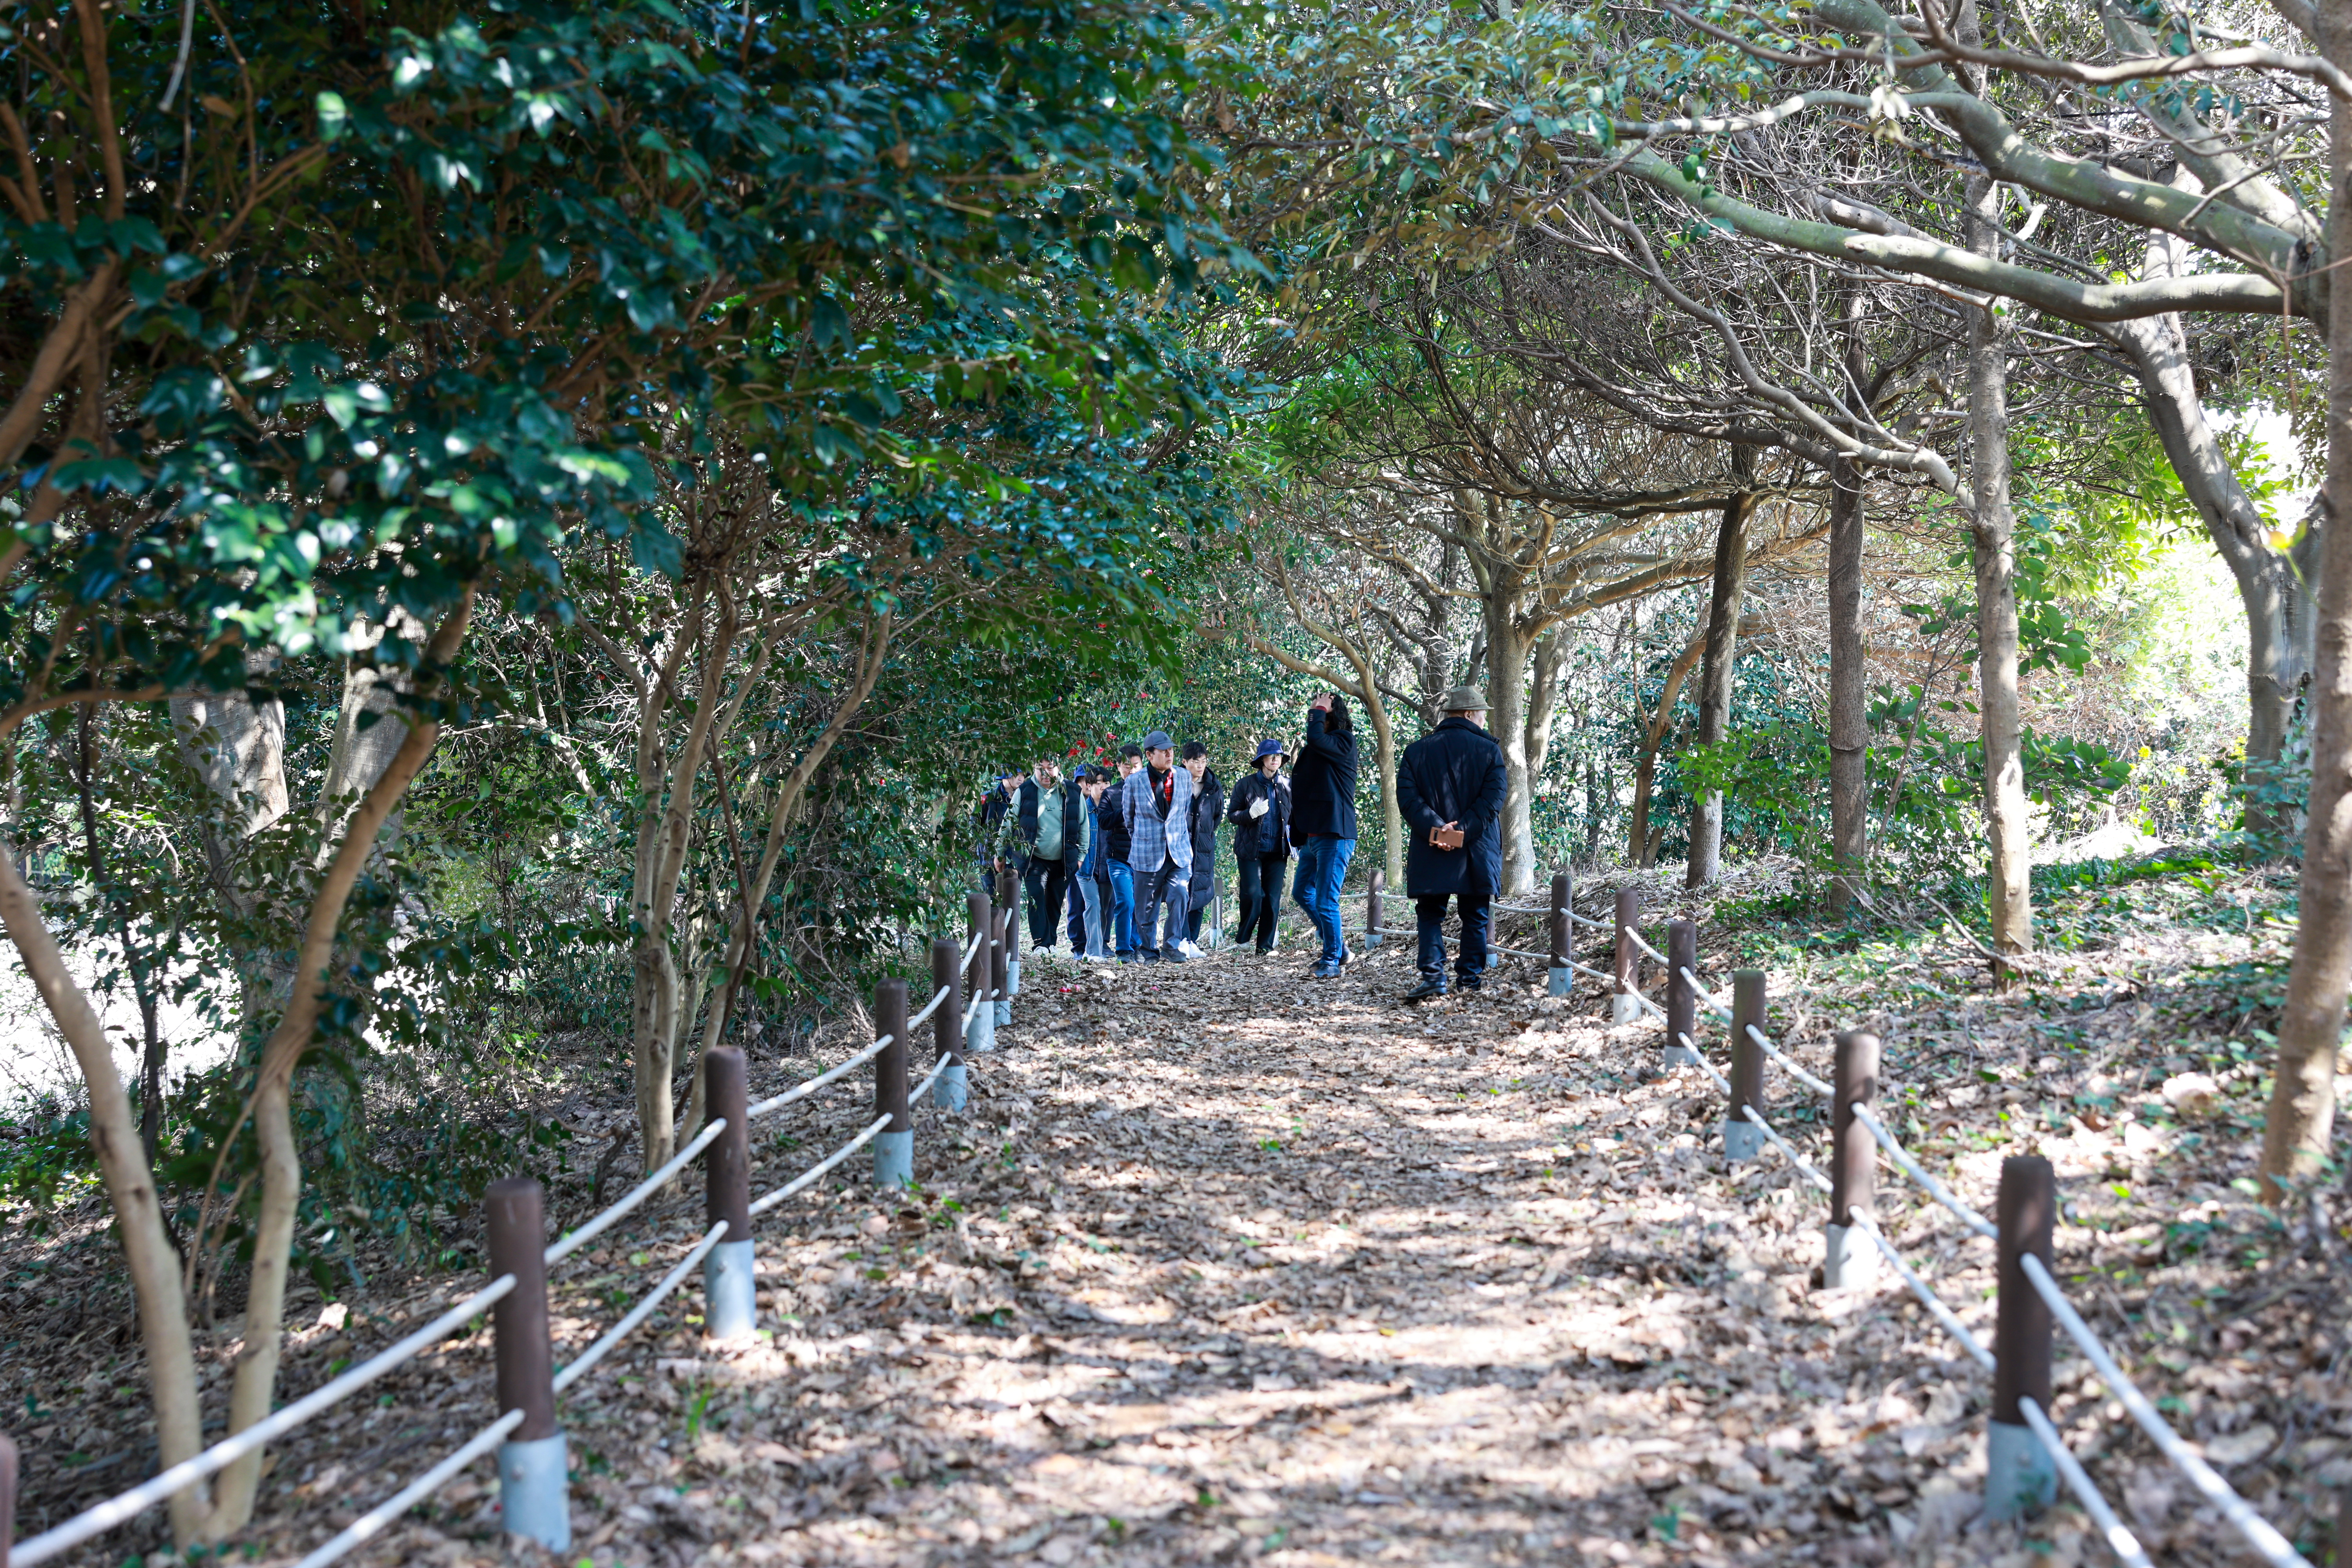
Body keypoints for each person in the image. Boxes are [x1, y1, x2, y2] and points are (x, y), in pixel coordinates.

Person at [1394, 686, 1508, 1000]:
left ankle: (1433, 976)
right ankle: (1469, 982)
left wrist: (1438, 829)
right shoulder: (1489, 752)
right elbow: (1493, 800)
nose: (1485, 720)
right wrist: (1464, 830)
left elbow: (1407, 798)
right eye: (1483, 714)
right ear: (1470, 714)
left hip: (1430, 844)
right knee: (1475, 915)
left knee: (1430, 912)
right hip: (1476, 848)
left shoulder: (1416, 751)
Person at [1289, 693, 1360, 978]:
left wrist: (1319, 708)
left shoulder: (1344, 742)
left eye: (1323, 716)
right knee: (1302, 892)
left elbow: (1317, 739)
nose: (1317, 721)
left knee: (1326, 900)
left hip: (1336, 835)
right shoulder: (1315, 749)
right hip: (1312, 836)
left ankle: (1332, 959)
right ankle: (1339, 947)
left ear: (1333, 718)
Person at [996, 755, 1090, 953]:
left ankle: (1051, 943)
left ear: (1058, 768)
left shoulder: (1073, 792)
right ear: (1035, 769)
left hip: (1064, 859)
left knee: (1055, 902)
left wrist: (1081, 857)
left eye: (1050, 767)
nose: (1046, 773)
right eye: (1041, 768)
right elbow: (1008, 822)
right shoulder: (1025, 792)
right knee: (1036, 897)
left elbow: (1084, 825)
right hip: (1034, 858)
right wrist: (999, 853)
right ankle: (1041, 944)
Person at [1118, 730, 1194, 963]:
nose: (1169, 754)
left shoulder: (1184, 777)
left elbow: (1184, 813)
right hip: (1146, 852)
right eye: (1163, 751)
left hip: (1178, 852)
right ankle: (1149, 950)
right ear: (1150, 755)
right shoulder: (1134, 782)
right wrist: (1143, 839)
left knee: (1180, 893)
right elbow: (1128, 817)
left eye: (1171, 749)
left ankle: (1172, 945)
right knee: (1146, 908)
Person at [1226, 738, 1292, 953]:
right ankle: (1243, 938)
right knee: (1254, 895)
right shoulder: (1245, 785)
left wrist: (1300, 842)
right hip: (1251, 851)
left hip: (1278, 852)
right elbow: (1232, 816)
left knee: (1272, 900)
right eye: (1271, 755)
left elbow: (1295, 818)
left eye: (1279, 756)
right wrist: (1251, 814)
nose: (1275, 759)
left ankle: (1264, 947)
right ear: (1262, 759)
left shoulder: (1288, 786)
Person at [1180, 741, 1225, 955]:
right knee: (1180, 893)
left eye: (1204, 761)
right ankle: (1181, 940)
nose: (1200, 766)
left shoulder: (1214, 787)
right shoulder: (1177, 784)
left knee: (1198, 894)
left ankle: (1192, 942)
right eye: (1196, 762)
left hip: (1204, 849)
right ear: (1185, 763)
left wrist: (1204, 835)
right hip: (1180, 847)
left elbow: (1217, 817)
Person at [1099, 745, 1142, 960]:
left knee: (1140, 905)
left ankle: (1137, 946)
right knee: (1126, 901)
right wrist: (1124, 812)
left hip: (1145, 858)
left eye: (1136, 766)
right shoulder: (1111, 793)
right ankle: (1124, 950)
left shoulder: (1151, 790)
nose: (1132, 770)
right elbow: (1104, 821)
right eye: (1127, 766)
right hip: (1119, 859)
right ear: (1118, 767)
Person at [1067, 766, 1113, 960]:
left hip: (1109, 868)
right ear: (1089, 786)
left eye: (1106, 782)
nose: (1103, 787)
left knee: (1104, 909)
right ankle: (1093, 953)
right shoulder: (1082, 808)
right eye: (1098, 783)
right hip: (1086, 869)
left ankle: (1101, 945)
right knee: (1092, 905)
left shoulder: (1114, 807)